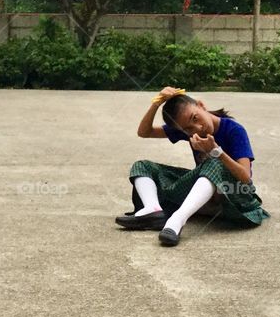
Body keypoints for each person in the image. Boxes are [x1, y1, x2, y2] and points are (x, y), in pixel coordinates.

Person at [115, 87, 269, 246]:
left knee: (213, 163)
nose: (197, 128)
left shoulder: (234, 130)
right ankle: (153, 211)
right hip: (207, 198)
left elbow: (245, 178)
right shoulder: (187, 130)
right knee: (143, 166)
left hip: (234, 195)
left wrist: (216, 152)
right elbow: (144, 132)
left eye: (195, 118)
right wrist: (156, 103)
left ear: (201, 105)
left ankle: (177, 220)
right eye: (187, 129)